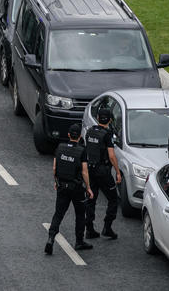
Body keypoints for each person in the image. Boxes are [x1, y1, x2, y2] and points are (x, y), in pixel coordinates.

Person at [45, 123, 94, 255]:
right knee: (80, 215)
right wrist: (88, 188)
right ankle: (79, 242)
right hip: (77, 188)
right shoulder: (82, 151)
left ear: (68, 135)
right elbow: (84, 172)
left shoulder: (60, 147)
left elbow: (54, 167)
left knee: (58, 214)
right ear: (79, 137)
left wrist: (56, 181)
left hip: (62, 186)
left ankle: (50, 238)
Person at [84, 109, 121, 241]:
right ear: (110, 120)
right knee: (113, 199)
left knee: (91, 199)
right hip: (103, 171)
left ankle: (89, 229)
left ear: (98, 117)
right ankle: (107, 227)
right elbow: (111, 156)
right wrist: (117, 172)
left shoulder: (89, 131)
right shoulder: (107, 134)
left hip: (90, 169)